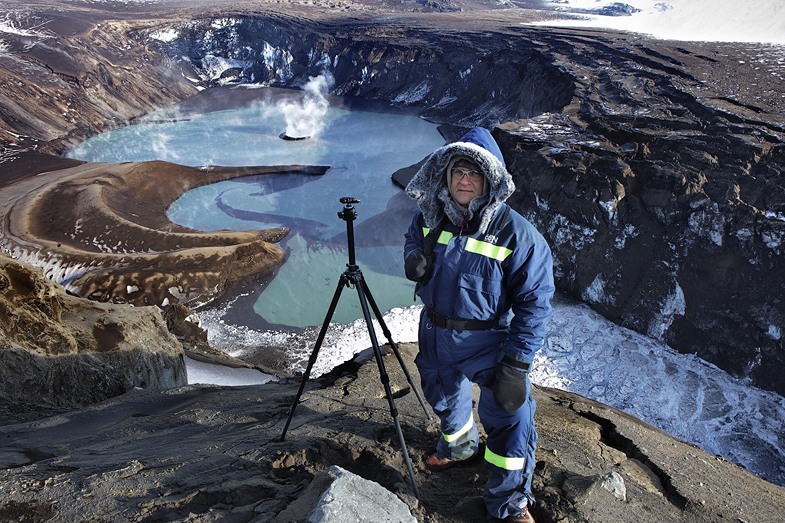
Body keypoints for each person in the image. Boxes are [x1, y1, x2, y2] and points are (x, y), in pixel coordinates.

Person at [403, 127, 554, 523]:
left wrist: (517, 365)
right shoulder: (431, 216)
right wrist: (413, 256)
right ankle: (459, 447)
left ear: (491, 180)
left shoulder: (519, 235)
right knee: (442, 393)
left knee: (510, 413)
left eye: (474, 174)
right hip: (435, 330)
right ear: (445, 177)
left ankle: (509, 504)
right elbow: (412, 238)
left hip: (486, 338)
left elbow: (535, 303)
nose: (464, 181)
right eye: (457, 172)